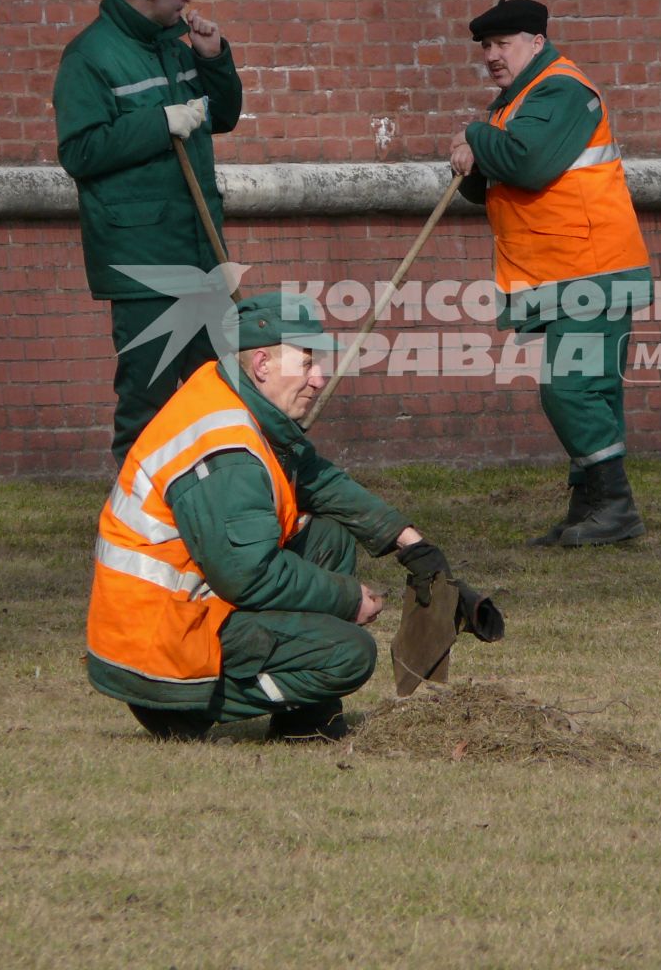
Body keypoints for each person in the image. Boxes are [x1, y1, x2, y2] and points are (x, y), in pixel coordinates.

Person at [84, 291, 456, 741]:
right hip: (163, 653)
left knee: (329, 539)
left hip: (188, 611)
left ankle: (305, 721)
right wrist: (346, 598)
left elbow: (319, 479)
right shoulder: (228, 452)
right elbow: (250, 577)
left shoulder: (231, 396)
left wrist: (410, 543)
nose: (320, 378)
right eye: (306, 363)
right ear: (262, 365)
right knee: (351, 654)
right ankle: (189, 709)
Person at [448, 0, 654, 545]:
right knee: (594, 390)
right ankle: (593, 510)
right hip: (569, 270)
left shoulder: (559, 89)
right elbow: (499, 175)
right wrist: (475, 157)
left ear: (537, 42)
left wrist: (474, 136)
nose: (492, 55)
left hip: (589, 269)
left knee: (570, 391)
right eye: (486, 47)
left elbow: (528, 163)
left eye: (503, 44)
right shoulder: (514, 102)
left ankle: (614, 507)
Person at [53, 0, 245, 464]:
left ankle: (223, 504)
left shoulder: (175, 46)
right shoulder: (89, 58)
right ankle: (136, 522)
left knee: (224, 387)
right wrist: (158, 123)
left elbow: (222, 117)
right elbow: (81, 151)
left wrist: (213, 59)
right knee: (149, 399)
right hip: (144, 262)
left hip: (202, 251)